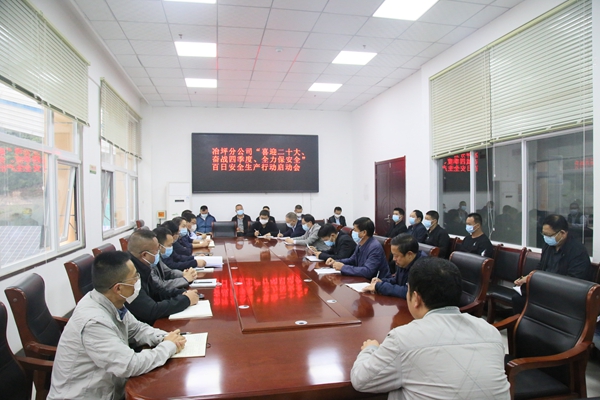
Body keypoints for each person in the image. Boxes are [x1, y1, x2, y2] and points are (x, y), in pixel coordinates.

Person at [351, 257, 510, 400]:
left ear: (416, 298)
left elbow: (361, 380)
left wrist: (370, 349)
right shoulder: (490, 332)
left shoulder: (404, 338)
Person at [48, 251, 186, 399]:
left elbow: (137, 329)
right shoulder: (94, 322)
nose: (138, 280)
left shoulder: (110, 301)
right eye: (135, 277)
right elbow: (130, 365)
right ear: (118, 288)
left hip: (112, 388)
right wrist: (168, 347)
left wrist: (166, 337)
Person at [512, 214, 592, 313]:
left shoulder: (577, 251)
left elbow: (574, 282)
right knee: (518, 298)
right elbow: (541, 266)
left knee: (532, 303)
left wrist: (546, 284)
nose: (546, 238)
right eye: (543, 234)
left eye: (549, 235)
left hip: (564, 294)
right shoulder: (548, 246)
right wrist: (528, 278)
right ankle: (520, 322)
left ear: (562, 233)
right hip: (546, 288)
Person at [126, 230, 199, 325]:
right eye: (157, 250)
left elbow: (158, 291)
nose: (159, 252)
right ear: (145, 255)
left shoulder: (144, 266)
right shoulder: (129, 274)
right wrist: (186, 300)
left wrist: (182, 293)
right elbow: (151, 310)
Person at [363, 234, 427, 299]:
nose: (394, 259)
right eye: (393, 255)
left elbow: (408, 292)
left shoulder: (423, 268)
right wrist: (381, 281)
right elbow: (396, 280)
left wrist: (380, 286)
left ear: (409, 254)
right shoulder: (403, 262)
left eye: (396, 256)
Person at [325, 217, 390, 280]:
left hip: (375, 282)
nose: (352, 232)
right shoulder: (360, 243)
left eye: (355, 230)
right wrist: (336, 262)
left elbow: (368, 271)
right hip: (361, 278)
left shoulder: (375, 247)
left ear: (364, 233)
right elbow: (353, 260)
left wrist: (343, 267)